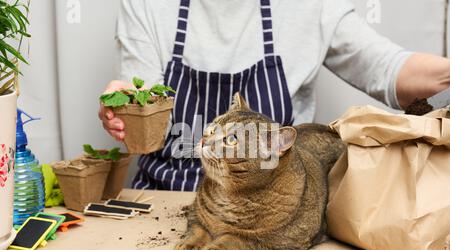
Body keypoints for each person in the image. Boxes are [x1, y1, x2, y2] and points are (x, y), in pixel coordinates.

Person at [99, 0, 450, 191]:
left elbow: (390, 70)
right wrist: (123, 102)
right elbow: (140, 93)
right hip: (167, 197)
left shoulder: (310, 6)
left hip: (269, 209)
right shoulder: (147, 4)